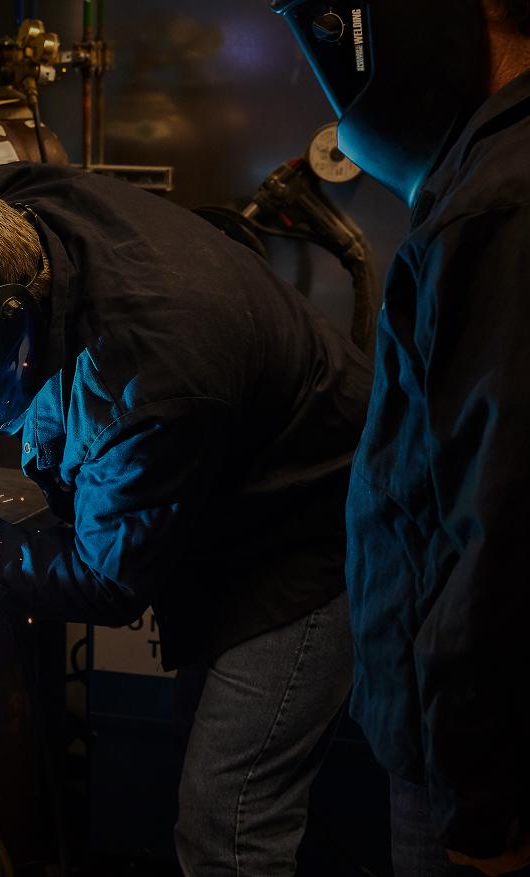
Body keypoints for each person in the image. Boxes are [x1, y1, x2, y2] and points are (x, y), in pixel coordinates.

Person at [0, 161, 372, 875]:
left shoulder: (150, 375)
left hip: (313, 535)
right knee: (206, 749)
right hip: (233, 471)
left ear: (11, 324)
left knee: (228, 818)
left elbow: (106, 577)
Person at [275, 1, 530, 874]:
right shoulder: (490, 179)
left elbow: (501, 523)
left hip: (479, 775)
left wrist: (482, 809)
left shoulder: (500, 203)